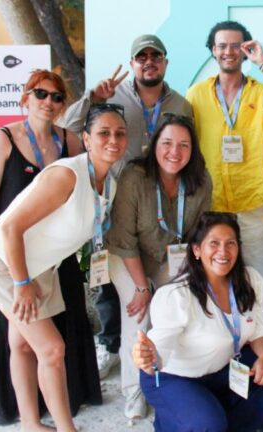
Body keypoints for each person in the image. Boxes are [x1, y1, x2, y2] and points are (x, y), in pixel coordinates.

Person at [0, 104, 127, 431]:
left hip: (42, 268)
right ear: (86, 139)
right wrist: (21, 284)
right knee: (52, 349)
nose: (113, 140)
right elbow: (9, 228)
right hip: (7, 264)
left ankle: (31, 424)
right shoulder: (66, 174)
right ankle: (65, 428)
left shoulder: (109, 184)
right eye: (104, 133)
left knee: (23, 344)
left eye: (120, 133)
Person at [62, 34, 193, 381]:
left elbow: (188, 150)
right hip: (111, 202)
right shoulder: (111, 96)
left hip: (157, 209)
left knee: (153, 287)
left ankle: (157, 357)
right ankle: (111, 345)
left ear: (165, 62)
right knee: (108, 282)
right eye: (142, 57)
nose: (149, 62)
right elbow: (70, 129)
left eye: (155, 56)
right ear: (133, 63)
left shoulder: (181, 104)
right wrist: (92, 98)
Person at [104, 114, 212, 418]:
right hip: (128, 256)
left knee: (175, 312)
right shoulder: (135, 176)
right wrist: (142, 288)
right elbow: (124, 238)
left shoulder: (201, 179)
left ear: (193, 149)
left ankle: (172, 379)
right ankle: (134, 391)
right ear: (154, 145)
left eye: (183, 145)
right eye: (167, 143)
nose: (174, 152)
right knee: (139, 318)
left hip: (171, 257)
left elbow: (199, 233)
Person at [132, 212, 263, 431]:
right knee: (208, 424)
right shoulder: (176, 295)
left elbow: (260, 327)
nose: (223, 251)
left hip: (221, 368)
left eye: (230, 243)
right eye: (214, 243)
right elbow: (160, 349)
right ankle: (177, 418)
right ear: (197, 250)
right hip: (176, 377)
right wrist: (148, 356)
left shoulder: (250, 281)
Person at [186, 20, 263, 286]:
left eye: (236, 46)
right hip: (212, 202)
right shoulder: (197, 94)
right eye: (222, 46)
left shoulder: (259, 92)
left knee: (259, 277)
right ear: (213, 50)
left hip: (251, 201)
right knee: (214, 278)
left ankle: (259, 316)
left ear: (245, 50)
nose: (229, 51)